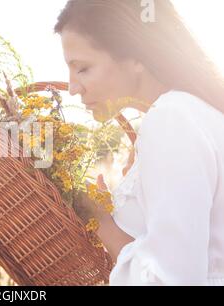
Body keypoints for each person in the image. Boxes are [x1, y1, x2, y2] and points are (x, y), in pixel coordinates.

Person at [54, 0, 224, 285]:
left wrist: (100, 221)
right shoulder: (191, 112)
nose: (72, 88)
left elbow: (172, 280)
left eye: (82, 68)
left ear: (135, 56)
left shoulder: (171, 118)